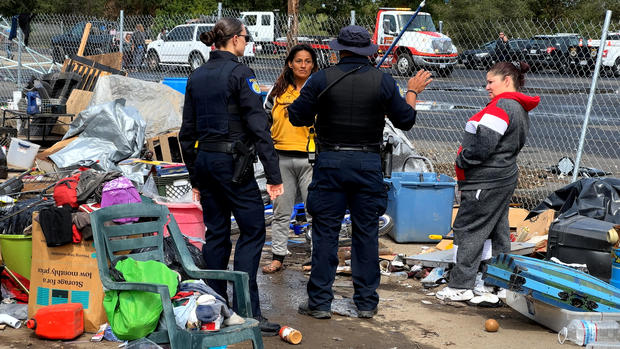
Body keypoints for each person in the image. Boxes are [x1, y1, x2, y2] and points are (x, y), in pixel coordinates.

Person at [288, 25, 433, 319]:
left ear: (338, 50)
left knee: (325, 233)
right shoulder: (382, 80)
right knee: (365, 235)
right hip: (367, 164)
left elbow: (297, 116)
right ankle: (366, 303)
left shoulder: (321, 79)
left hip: (330, 163)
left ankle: (319, 303)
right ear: (368, 51)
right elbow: (405, 120)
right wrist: (412, 92)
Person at [178, 17, 283, 336]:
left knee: (217, 234)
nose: (248, 43)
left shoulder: (197, 75)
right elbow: (258, 126)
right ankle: (247, 310)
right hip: (233, 165)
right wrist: (274, 175)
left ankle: (214, 308)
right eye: (246, 38)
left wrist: (196, 176)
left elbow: (186, 134)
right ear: (235, 40)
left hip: (206, 162)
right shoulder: (241, 73)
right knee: (252, 231)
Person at [435, 61, 540, 302]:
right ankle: (494, 284)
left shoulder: (502, 106)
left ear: (506, 81)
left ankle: (461, 285)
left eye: (490, 81)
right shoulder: (518, 107)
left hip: (486, 178)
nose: (486, 87)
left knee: (468, 229)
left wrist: (463, 158)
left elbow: (483, 145)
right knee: (496, 231)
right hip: (502, 176)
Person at [261, 44, 318, 274]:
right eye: (298, 61)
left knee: (315, 211)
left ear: (313, 65)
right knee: (281, 211)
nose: (303, 65)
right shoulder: (277, 91)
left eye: (307, 61)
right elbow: (264, 119)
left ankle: (315, 257)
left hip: (311, 160)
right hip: (281, 159)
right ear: (290, 64)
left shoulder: (319, 89)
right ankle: (278, 257)